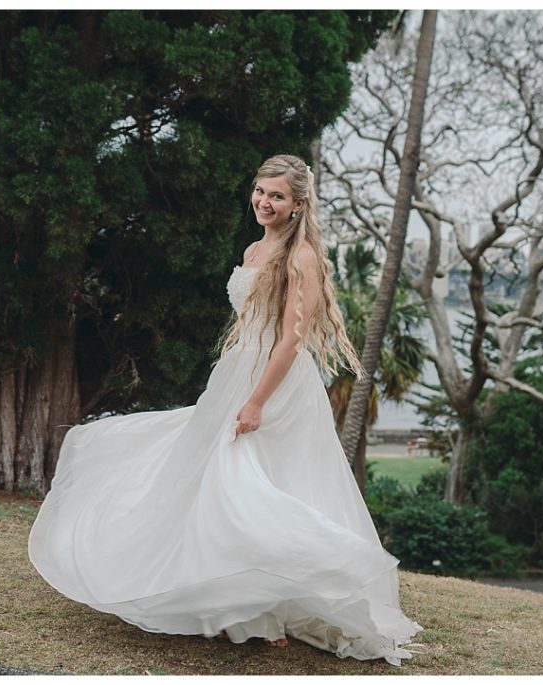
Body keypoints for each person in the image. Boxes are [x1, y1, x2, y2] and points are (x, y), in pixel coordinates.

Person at [27, 154, 423, 666]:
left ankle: (273, 606)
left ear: (299, 204)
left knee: (256, 486)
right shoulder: (254, 248)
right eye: (260, 190)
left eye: (277, 195)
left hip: (276, 386)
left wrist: (256, 401)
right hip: (236, 373)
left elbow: (290, 341)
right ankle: (238, 608)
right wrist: (238, 388)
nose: (264, 201)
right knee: (210, 483)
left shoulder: (299, 258)